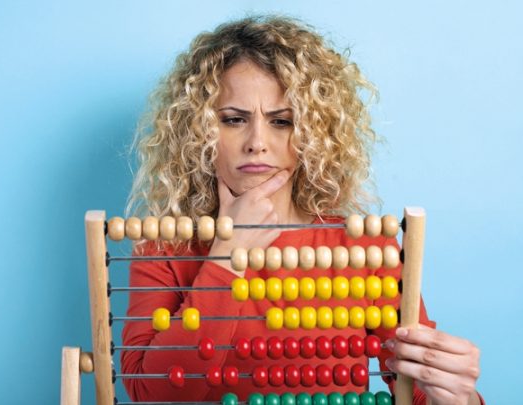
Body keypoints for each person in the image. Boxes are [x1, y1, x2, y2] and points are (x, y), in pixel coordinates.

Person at [121, 15, 482, 405]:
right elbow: (151, 394)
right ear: (199, 132)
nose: (257, 142)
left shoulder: (364, 246)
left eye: (281, 122)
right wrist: (227, 258)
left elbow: (417, 392)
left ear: (312, 135)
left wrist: (455, 395)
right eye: (234, 120)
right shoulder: (165, 248)